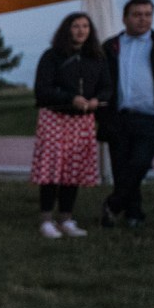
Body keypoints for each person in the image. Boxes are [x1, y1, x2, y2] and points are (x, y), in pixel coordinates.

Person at [95, 0, 154, 229]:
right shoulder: (110, 47)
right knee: (122, 168)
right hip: (118, 117)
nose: (143, 19)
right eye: (137, 15)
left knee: (139, 163)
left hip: (151, 117)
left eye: (147, 14)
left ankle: (113, 204)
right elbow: (100, 81)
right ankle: (134, 214)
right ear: (125, 18)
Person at [30, 13, 112, 238]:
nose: (81, 30)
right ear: (67, 29)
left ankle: (66, 218)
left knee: (72, 171)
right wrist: (70, 98)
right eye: (76, 26)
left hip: (82, 121)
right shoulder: (52, 56)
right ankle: (46, 220)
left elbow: (107, 87)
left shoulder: (97, 57)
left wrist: (97, 100)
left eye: (85, 26)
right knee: (52, 171)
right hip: (55, 118)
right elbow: (42, 90)